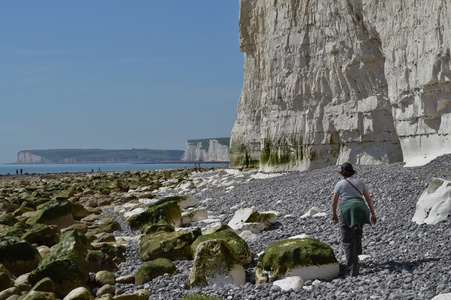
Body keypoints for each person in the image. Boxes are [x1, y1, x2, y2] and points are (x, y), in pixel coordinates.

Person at [331, 162, 377, 277]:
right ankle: (357, 259)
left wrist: (334, 214)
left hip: (347, 210)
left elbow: (334, 202)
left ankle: (352, 269)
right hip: (361, 209)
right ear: (352, 171)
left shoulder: (340, 184)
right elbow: (369, 199)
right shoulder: (359, 182)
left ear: (342, 173)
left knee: (347, 239)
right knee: (357, 233)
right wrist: (373, 214)